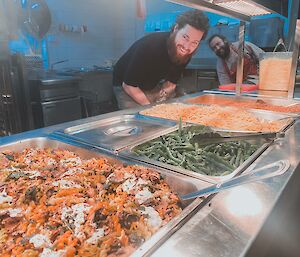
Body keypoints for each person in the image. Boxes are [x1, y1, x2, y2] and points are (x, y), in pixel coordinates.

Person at [113, 10, 209, 109]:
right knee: (139, 115)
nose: (186, 46)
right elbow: (129, 85)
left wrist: (165, 95)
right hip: (126, 85)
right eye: (185, 37)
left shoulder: (186, 52)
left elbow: (171, 82)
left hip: (150, 84)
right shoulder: (150, 46)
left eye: (195, 42)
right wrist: (153, 108)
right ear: (176, 28)